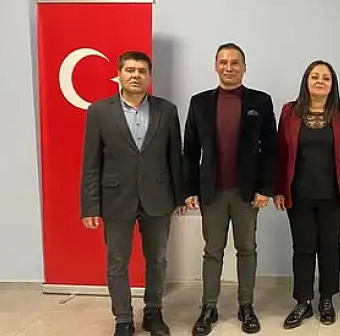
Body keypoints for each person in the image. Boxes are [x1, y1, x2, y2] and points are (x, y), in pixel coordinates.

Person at [80, 51, 185, 336]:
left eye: (141, 71)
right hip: (116, 199)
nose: (136, 75)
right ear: (119, 74)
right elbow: (91, 162)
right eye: (130, 70)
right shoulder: (99, 111)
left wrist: (179, 196)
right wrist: (90, 206)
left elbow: (175, 157)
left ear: (149, 76)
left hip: (158, 197)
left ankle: (153, 312)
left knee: (158, 260)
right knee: (117, 262)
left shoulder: (167, 110)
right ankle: (123, 318)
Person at [183, 43, 277, 335]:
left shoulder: (260, 101)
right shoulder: (199, 102)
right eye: (223, 62)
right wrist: (189, 189)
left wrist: (265, 189)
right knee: (212, 251)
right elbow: (190, 150)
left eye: (235, 62)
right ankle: (208, 307)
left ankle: (246, 305)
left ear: (244, 68)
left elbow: (271, 148)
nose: (228, 67)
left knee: (247, 249)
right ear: (215, 66)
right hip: (211, 191)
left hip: (246, 193)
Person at [274, 60, 340, 329]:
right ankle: (303, 302)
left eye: (326, 78)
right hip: (298, 195)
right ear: (306, 81)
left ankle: (326, 299)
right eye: (315, 77)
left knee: (330, 248)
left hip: (334, 195)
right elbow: (281, 154)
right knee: (302, 249)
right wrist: (278, 189)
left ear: (332, 84)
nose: (320, 82)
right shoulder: (290, 112)